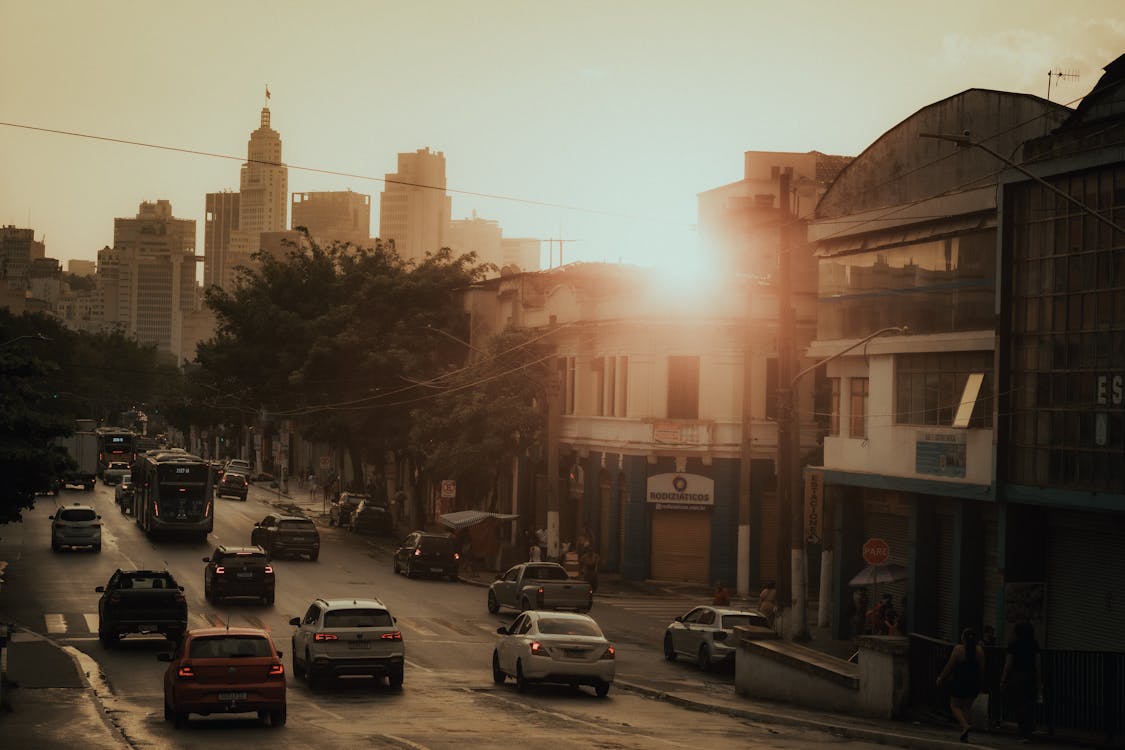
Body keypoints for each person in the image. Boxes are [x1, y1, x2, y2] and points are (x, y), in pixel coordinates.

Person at [938, 627, 987, 743]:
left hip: (960, 681)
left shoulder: (958, 649)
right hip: (973, 682)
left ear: (963, 638)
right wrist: (981, 683)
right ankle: (965, 734)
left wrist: (941, 678)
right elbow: (983, 669)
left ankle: (965, 725)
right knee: (967, 707)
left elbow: (949, 666)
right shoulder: (979, 651)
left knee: (954, 706)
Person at [1001, 621, 1042, 744]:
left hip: (1017, 678)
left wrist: (1003, 679)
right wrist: (1040, 681)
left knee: (1018, 705)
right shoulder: (1034, 644)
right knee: (1029, 704)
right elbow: (1038, 665)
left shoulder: (1013, 644)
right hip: (1030, 677)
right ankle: (1029, 731)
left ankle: (1023, 731)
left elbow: (1008, 664)